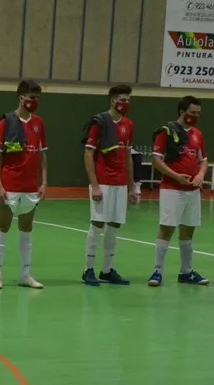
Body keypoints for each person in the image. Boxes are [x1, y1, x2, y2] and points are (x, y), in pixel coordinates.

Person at [0, 80, 47, 289]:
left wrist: (44, 182)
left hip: (30, 187)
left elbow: (43, 154)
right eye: (32, 97)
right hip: (10, 185)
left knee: (26, 229)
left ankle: (25, 275)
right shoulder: (6, 122)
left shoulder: (39, 123)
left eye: (38, 98)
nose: (35, 101)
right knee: (3, 227)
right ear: (22, 98)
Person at [147, 96, 209, 287]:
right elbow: (156, 160)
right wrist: (176, 176)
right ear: (182, 112)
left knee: (188, 230)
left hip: (193, 191)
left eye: (198, 113)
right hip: (172, 189)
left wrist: (200, 175)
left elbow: (203, 160)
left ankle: (186, 272)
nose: (196, 116)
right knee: (167, 228)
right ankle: (157, 271)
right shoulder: (166, 131)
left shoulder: (198, 134)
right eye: (192, 112)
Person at [82, 84, 136, 286]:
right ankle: (88, 270)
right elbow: (88, 154)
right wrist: (94, 185)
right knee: (98, 224)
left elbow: (128, 156)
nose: (126, 103)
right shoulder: (100, 123)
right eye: (123, 100)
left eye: (128, 100)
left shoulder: (129, 125)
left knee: (114, 225)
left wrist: (132, 186)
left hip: (120, 184)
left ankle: (107, 270)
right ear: (113, 101)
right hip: (103, 182)